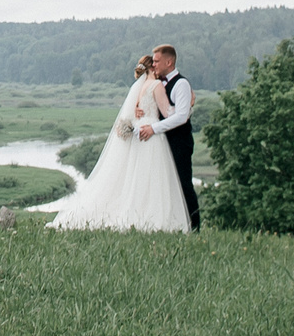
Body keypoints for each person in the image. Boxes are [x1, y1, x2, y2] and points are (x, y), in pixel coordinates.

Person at [48, 53, 191, 232]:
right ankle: (153, 218)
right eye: (155, 63)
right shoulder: (156, 86)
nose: (157, 65)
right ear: (152, 68)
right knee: (153, 178)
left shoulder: (140, 86)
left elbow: (136, 109)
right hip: (151, 134)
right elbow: (169, 113)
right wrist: (188, 106)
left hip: (139, 132)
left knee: (137, 177)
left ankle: (139, 214)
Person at [135, 44, 199, 230]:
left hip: (179, 142)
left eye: (156, 61)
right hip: (163, 142)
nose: (153, 64)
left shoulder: (181, 84)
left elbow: (181, 117)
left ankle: (194, 227)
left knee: (183, 183)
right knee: (166, 184)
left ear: (169, 62)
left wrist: (153, 128)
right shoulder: (158, 83)